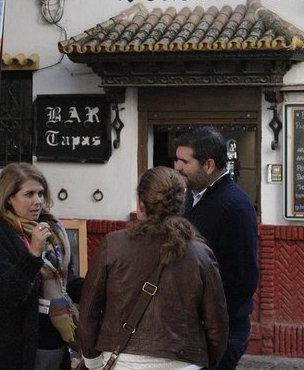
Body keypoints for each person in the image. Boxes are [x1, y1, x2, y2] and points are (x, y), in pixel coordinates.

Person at [79, 166, 228, 370]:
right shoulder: (200, 253)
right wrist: (206, 362)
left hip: (122, 361)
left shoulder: (113, 245)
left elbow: (89, 311)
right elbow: (216, 322)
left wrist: (92, 360)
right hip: (184, 361)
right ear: (180, 205)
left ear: (141, 204)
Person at [0, 162, 82, 370]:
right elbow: (1, 296)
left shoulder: (52, 230)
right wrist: (33, 254)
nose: (38, 201)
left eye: (40, 193)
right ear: (9, 198)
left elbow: (66, 280)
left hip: (53, 343)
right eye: (29, 194)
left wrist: (99, 287)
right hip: (9, 350)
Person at [173, 126, 259, 370]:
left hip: (221, 331)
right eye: (176, 159)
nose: (177, 167)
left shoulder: (235, 207)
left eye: (184, 161)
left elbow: (242, 280)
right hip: (194, 327)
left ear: (208, 165)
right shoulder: (192, 195)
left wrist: (205, 313)